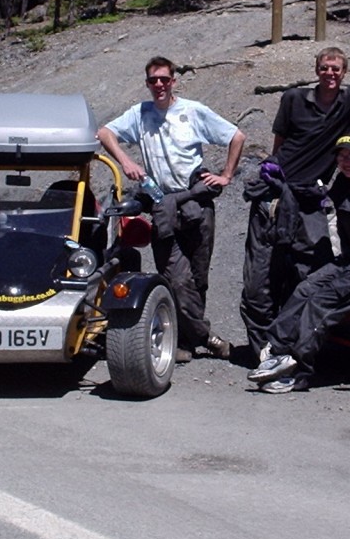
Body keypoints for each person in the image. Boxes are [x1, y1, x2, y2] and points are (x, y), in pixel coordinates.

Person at [240, 46, 350, 361]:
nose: (330, 74)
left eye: (336, 69)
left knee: (309, 271)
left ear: (344, 73)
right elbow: (280, 145)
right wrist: (274, 167)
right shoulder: (293, 99)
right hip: (274, 194)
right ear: (316, 70)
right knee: (260, 276)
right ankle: (261, 349)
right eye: (324, 68)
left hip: (309, 200)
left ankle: (298, 348)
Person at [97, 56, 246, 363]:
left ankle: (187, 341)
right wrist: (126, 161)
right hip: (162, 206)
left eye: (164, 79)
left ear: (174, 80)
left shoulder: (192, 111)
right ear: (147, 83)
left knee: (198, 277)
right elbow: (104, 133)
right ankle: (209, 338)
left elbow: (236, 136)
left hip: (196, 204)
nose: (159, 85)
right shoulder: (140, 114)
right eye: (153, 81)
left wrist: (226, 175)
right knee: (175, 277)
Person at [247, 130, 350, 393]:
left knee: (319, 304)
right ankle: (276, 351)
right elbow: (319, 198)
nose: (346, 161)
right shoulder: (343, 183)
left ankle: (298, 372)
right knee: (305, 288)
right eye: (341, 157)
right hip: (349, 262)